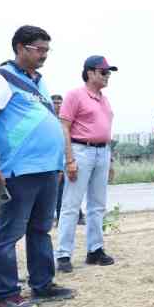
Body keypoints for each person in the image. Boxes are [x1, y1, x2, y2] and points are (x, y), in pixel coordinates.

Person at [0, 25, 74, 307]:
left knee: (40, 229)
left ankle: (42, 284)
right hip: (18, 170)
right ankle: (5, 295)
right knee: (8, 234)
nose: (44, 55)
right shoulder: (0, 78)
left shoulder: (39, 82)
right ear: (20, 47)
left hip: (46, 170)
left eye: (46, 50)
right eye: (38, 49)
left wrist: (58, 163)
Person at [55, 56, 118, 273]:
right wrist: (69, 159)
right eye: (103, 72)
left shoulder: (104, 99)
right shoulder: (75, 95)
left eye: (108, 72)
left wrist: (109, 160)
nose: (107, 75)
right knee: (71, 205)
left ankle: (95, 250)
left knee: (98, 205)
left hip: (102, 151)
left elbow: (105, 131)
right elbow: (64, 127)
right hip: (81, 150)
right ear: (90, 73)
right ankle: (63, 254)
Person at [52, 94, 84, 226]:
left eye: (60, 102)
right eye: (55, 102)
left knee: (74, 190)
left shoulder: (67, 120)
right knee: (58, 192)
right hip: (54, 162)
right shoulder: (47, 120)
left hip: (69, 159)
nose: (58, 105)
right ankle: (61, 219)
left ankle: (79, 216)